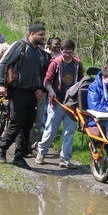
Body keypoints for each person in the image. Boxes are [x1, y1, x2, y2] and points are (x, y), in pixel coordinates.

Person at [0, 23, 50, 169]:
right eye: (41, 34)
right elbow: (3, 63)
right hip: (17, 91)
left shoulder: (39, 52)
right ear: (32, 34)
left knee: (28, 125)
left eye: (44, 34)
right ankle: (2, 148)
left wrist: (40, 89)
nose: (43, 37)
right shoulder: (20, 46)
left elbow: (40, 73)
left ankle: (19, 157)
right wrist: (1, 84)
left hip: (32, 93)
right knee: (16, 121)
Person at [35, 39, 84, 169]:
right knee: (51, 130)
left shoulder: (78, 64)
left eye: (70, 52)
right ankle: (41, 151)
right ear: (61, 51)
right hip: (57, 101)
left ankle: (64, 158)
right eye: (65, 52)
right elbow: (47, 81)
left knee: (69, 131)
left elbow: (81, 82)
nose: (67, 54)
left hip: (72, 103)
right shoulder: (55, 63)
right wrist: (51, 91)